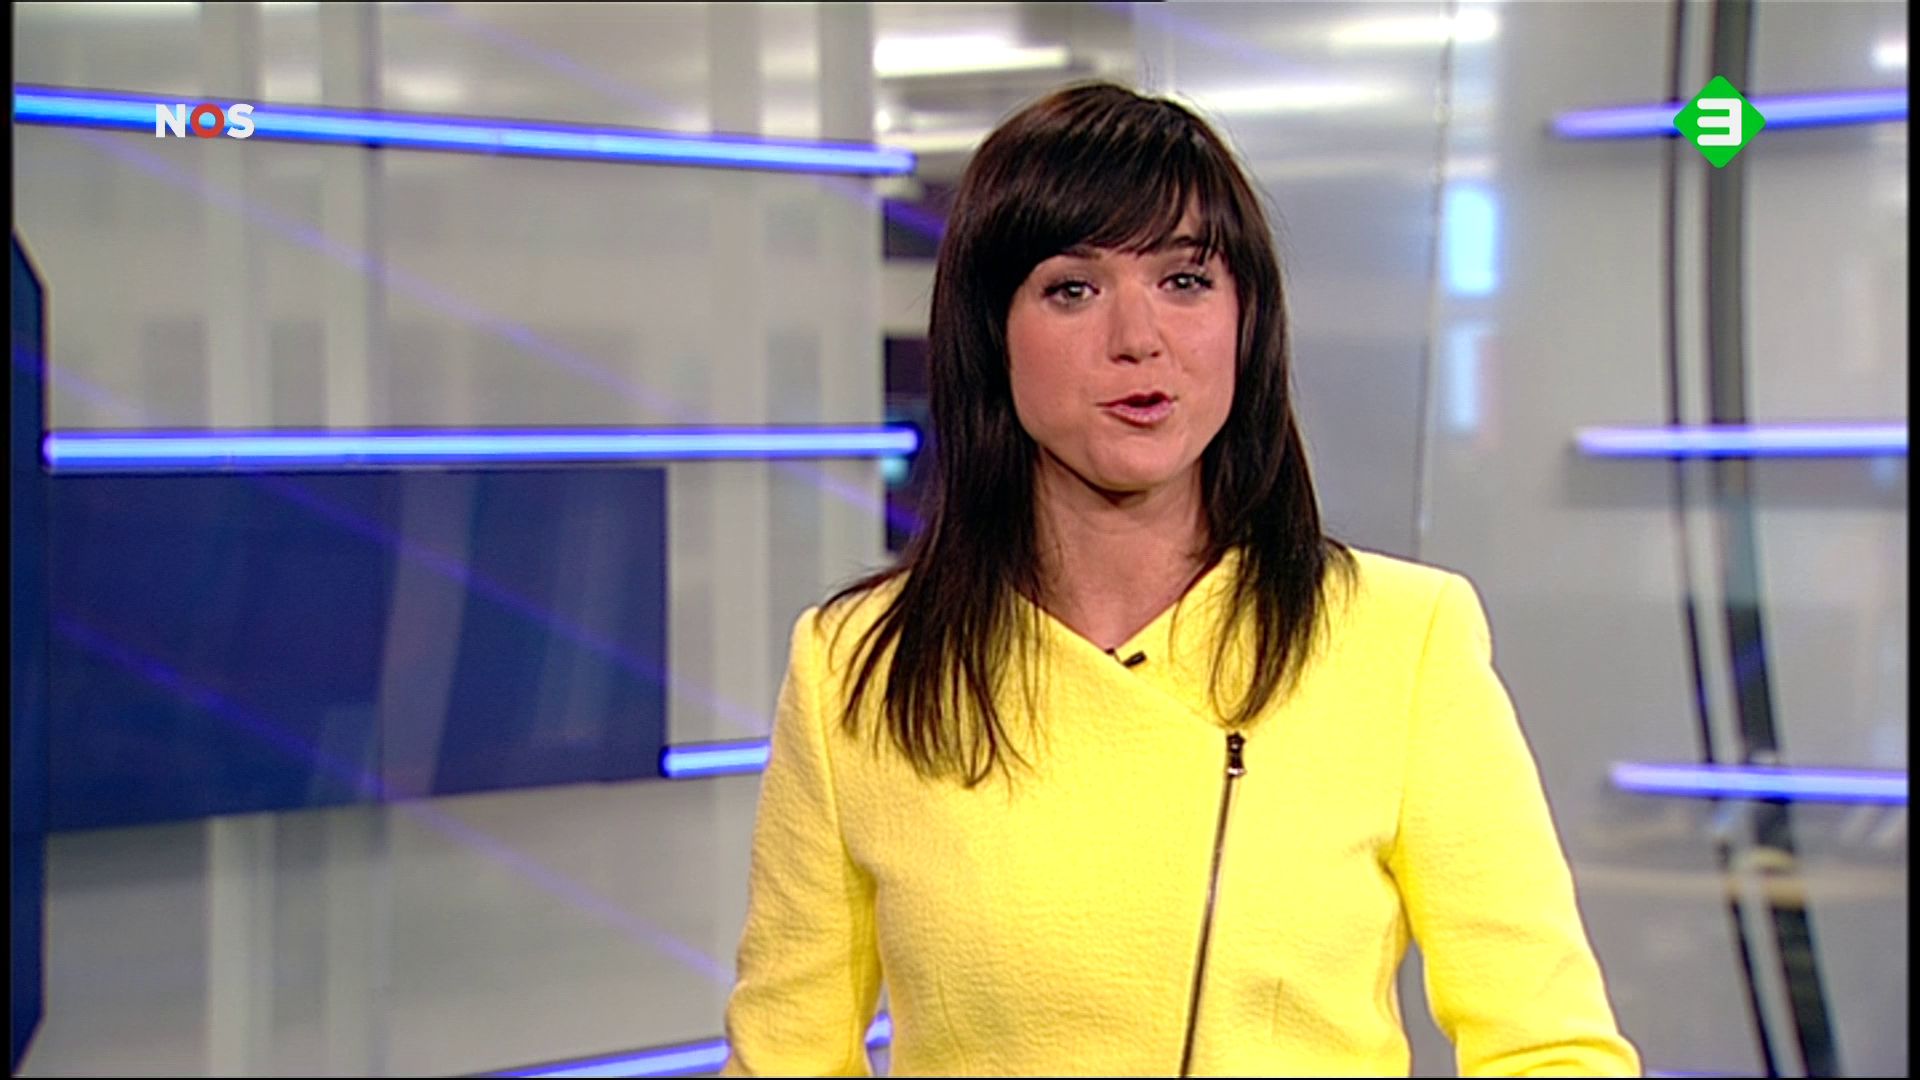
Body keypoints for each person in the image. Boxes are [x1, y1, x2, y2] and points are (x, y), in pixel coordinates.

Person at [720, 80, 1639, 1078]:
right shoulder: (857, 667)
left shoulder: (1401, 639)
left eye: (1186, 280)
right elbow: (786, 1060)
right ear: (991, 333)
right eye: (1073, 289)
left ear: (1247, 319)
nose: (1138, 337)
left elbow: (1551, 1050)